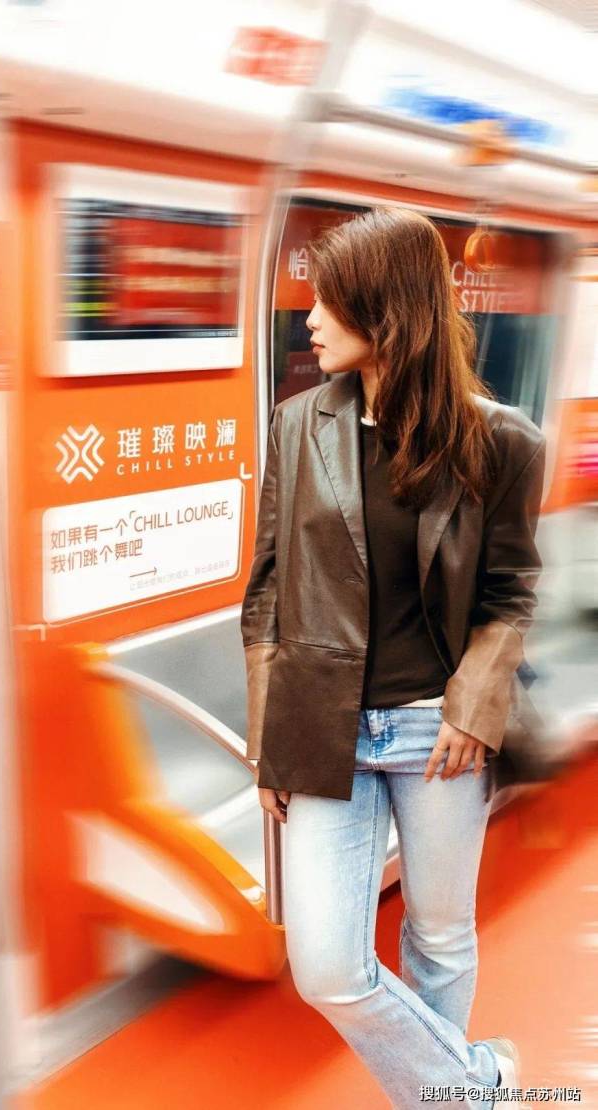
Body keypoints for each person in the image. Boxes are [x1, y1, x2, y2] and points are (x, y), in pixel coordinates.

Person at [240, 206, 547, 1109]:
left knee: (439, 937)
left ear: (387, 310)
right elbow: (267, 592)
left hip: (439, 732)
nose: (309, 320)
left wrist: (474, 706)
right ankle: (481, 1086)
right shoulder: (296, 424)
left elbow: (510, 592)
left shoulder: (502, 442)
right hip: (323, 729)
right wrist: (270, 738)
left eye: (328, 301)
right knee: (328, 967)